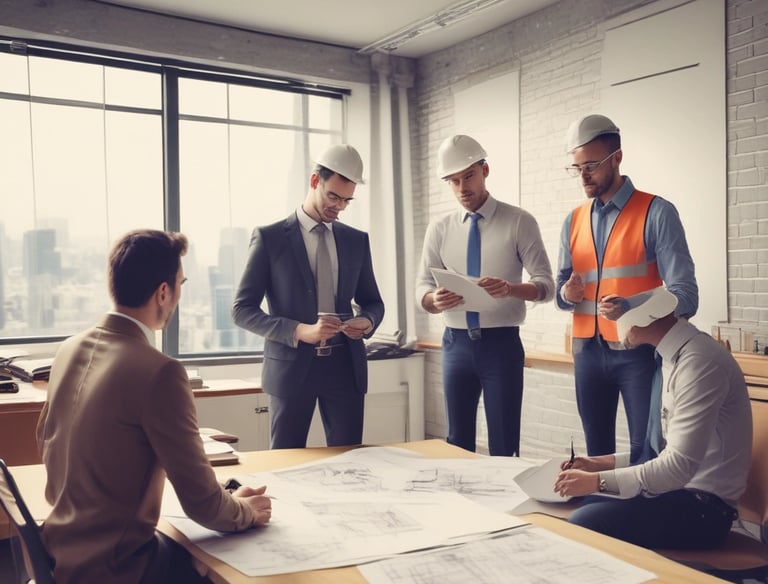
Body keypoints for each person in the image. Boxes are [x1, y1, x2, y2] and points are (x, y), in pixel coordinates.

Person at [36, 229, 272, 584]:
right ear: (164, 292)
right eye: (181, 283)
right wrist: (244, 511)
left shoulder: (68, 349)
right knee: (227, 567)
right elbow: (204, 507)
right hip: (118, 567)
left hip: (59, 553)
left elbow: (56, 442)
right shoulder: (160, 371)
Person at [554, 287, 752, 550]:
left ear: (644, 318)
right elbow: (659, 453)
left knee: (586, 522)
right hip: (677, 493)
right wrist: (596, 465)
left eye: (618, 317)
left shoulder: (700, 364)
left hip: (704, 509)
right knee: (585, 505)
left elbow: (677, 467)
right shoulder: (672, 358)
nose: (613, 327)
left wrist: (597, 481)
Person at [556, 114, 698, 464]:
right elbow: (561, 290)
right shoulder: (572, 221)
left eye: (591, 164)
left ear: (617, 157)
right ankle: (598, 520)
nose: (584, 175)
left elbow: (686, 295)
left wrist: (631, 306)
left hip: (638, 354)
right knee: (595, 457)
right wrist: (567, 295)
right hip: (586, 354)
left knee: (646, 455)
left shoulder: (657, 212)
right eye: (577, 167)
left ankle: (644, 519)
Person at [232, 144, 384, 449]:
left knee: (350, 464)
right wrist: (300, 331)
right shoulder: (270, 238)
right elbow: (242, 310)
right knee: (286, 463)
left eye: (346, 200)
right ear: (315, 181)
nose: (339, 207)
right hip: (291, 368)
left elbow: (373, 301)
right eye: (333, 196)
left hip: (345, 368)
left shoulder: (356, 241)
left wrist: (366, 322)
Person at [415, 134, 555, 456]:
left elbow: (546, 285)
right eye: (453, 181)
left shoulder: (520, 221)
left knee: (504, 443)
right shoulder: (439, 228)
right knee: (457, 443)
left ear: (485, 170)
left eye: (469, 177)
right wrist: (433, 300)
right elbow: (421, 288)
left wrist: (511, 289)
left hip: (501, 345)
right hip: (455, 344)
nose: (462, 188)